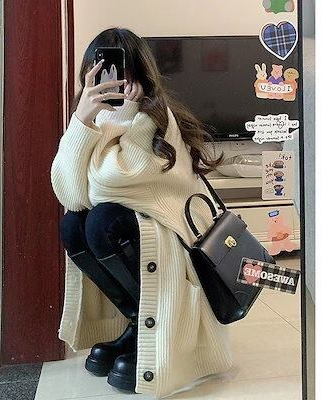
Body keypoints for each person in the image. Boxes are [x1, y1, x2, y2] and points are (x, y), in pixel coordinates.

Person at [51, 28, 232, 397]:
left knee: (101, 220)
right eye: (102, 69)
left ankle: (157, 328)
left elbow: (106, 185)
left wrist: (123, 115)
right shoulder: (93, 119)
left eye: (122, 69)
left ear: (140, 74)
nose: (113, 79)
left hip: (171, 238)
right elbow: (72, 196)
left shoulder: (154, 117)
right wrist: (81, 120)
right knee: (73, 224)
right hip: (137, 231)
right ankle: (138, 322)